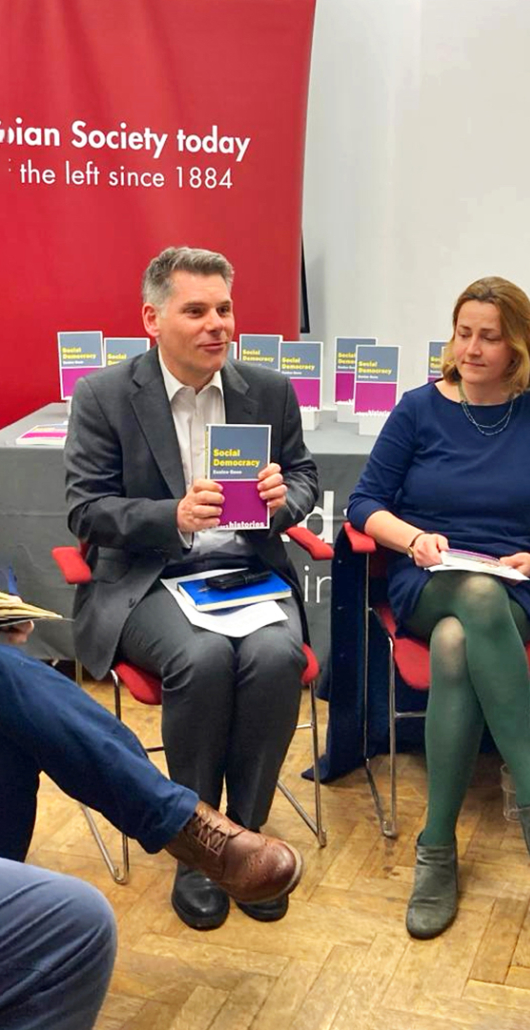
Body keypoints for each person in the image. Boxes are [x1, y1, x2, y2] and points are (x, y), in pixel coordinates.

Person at [63, 247, 318, 928]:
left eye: (224, 309)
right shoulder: (104, 396)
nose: (217, 325)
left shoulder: (268, 390)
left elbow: (303, 478)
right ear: (153, 319)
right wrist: (170, 517)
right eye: (197, 310)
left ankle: (247, 841)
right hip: (150, 577)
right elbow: (87, 511)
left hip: (247, 571)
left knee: (276, 657)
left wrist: (281, 500)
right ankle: (199, 849)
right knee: (202, 658)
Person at [348, 276, 530, 939]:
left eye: (489, 337)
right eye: (464, 333)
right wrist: (413, 539)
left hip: (517, 582)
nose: (473, 348)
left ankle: (436, 846)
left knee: (458, 643)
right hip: (429, 580)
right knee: (468, 603)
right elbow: (365, 504)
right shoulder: (417, 410)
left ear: (518, 346)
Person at [0, 616, 302, 1029]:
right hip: (143, 593)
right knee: (202, 658)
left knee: (275, 656)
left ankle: (229, 824)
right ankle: (186, 828)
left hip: (251, 593)